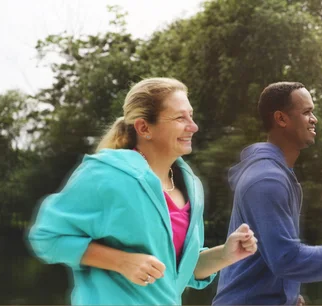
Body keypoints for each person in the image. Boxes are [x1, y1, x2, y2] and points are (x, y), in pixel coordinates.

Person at [27, 77, 258, 305]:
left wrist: (225, 255)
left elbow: (178, 271)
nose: (193, 126)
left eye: (191, 115)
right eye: (180, 117)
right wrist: (121, 261)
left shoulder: (192, 186)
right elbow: (47, 238)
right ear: (144, 127)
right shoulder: (106, 175)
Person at [212, 82, 322, 306]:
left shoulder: (278, 174)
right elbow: (287, 260)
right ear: (281, 119)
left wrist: (288, 297)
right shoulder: (267, 180)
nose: (314, 119)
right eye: (306, 112)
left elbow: (271, 252)